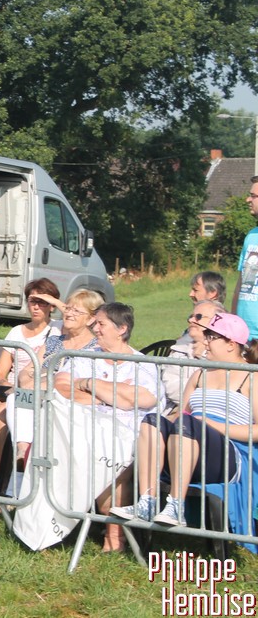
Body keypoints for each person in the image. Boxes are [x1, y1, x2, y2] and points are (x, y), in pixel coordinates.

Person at [13, 302, 159, 553]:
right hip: (78, 431)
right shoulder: (85, 357)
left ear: (121, 329)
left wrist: (88, 384)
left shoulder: (141, 364)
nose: (95, 328)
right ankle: (43, 527)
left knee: (111, 461)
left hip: (124, 437)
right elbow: (61, 388)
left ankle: (114, 538)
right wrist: (111, 396)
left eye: (101, 324)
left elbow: (144, 398)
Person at [113, 312, 258, 533]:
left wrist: (211, 425)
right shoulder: (200, 374)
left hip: (229, 454)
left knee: (188, 424)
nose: (205, 342)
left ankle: (176, 506)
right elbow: (180, 414)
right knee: (153, 421)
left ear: (231, 344)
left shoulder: (252, 377)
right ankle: (147, 501)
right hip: (189, 440)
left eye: (211, 337)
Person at [0, 279, 62, 493]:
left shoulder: (58, 330)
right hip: (11, 389)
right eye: (32, 301)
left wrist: (54, 301)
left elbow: (83, 321)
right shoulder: (16, 332)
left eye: (42, 302)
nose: (36, 307)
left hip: (36, 394)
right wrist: (7, 385)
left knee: (0, 415)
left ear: (51, 305)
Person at [159, 299, 226, 414]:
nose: (191, 320)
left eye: (198, 317)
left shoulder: (229, 353)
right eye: (191, 317)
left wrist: (205, 355)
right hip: (180, 410)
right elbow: (172, 389)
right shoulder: (179, 351)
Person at [234, 175, 258, 340]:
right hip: (244, 335)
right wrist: (233, 325)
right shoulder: (251, 236)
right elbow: (241, 284)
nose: (248, 199)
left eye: (253, 196)